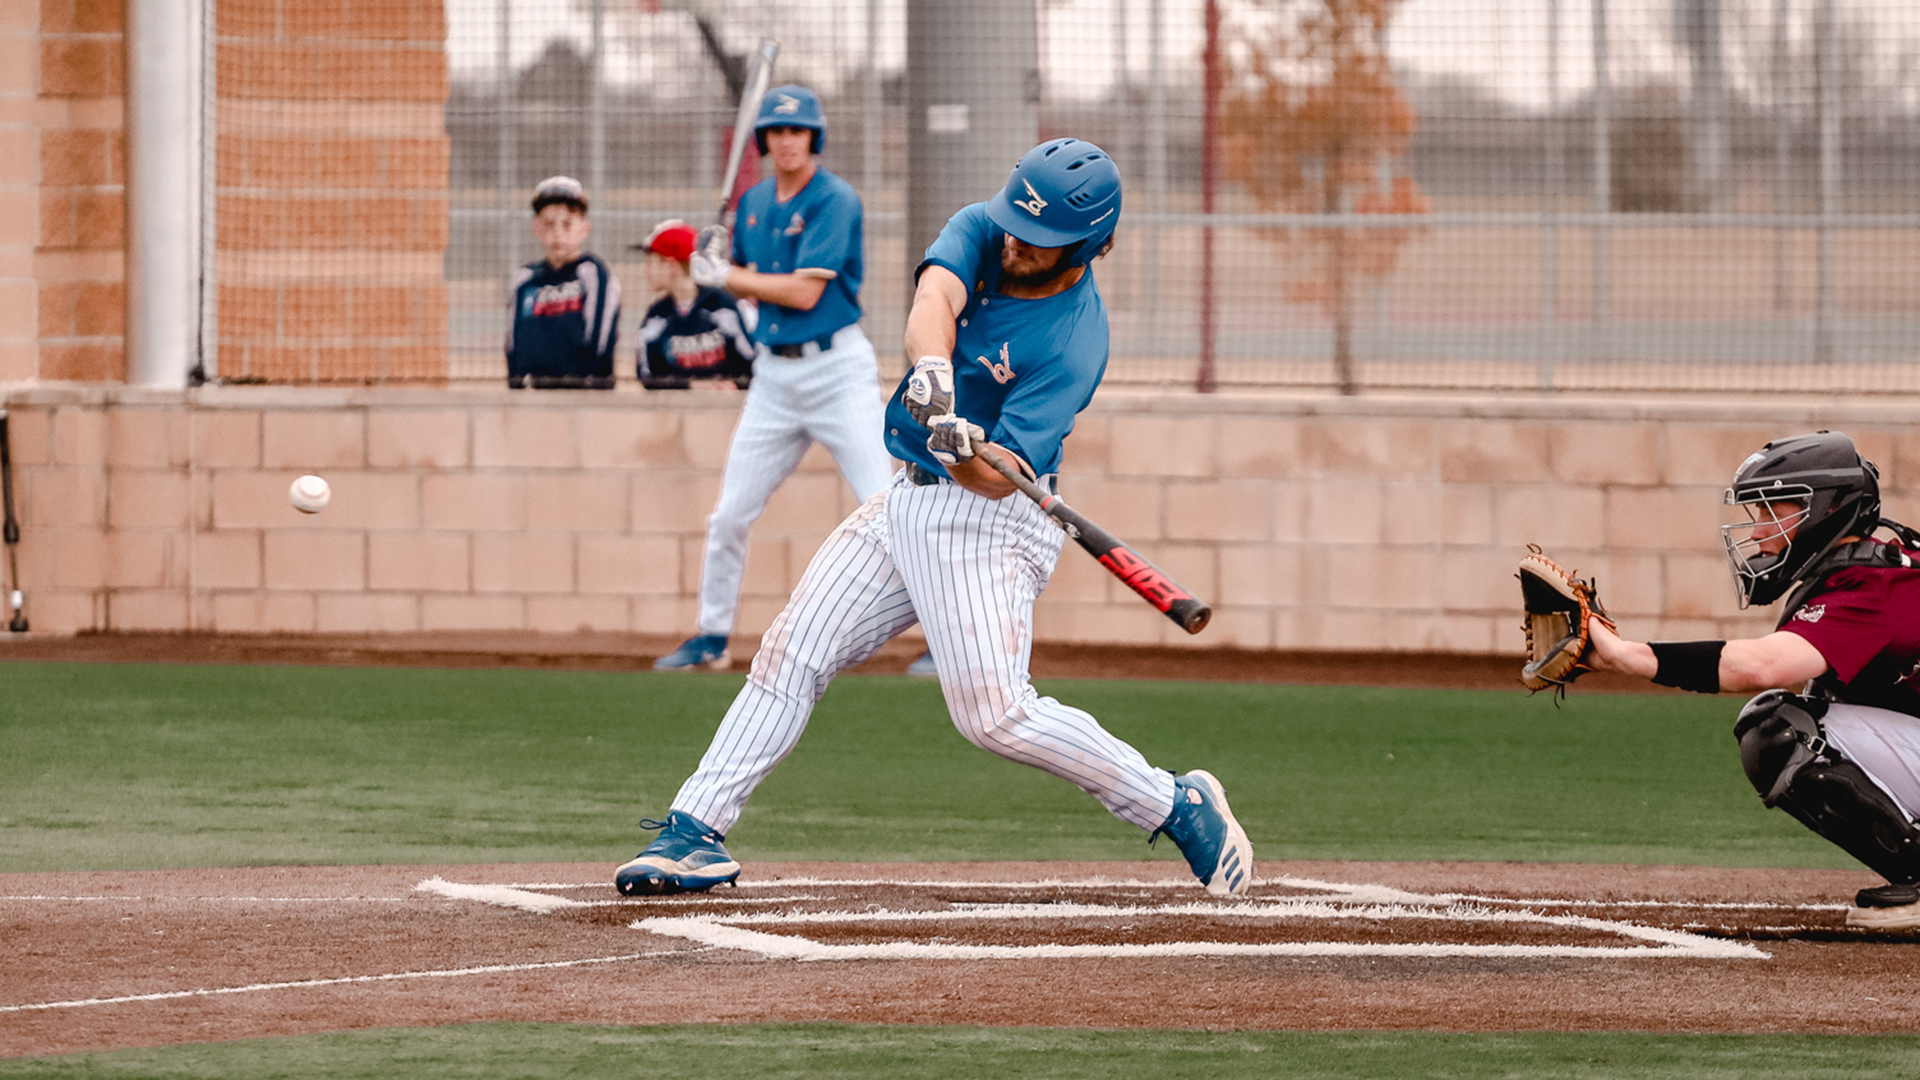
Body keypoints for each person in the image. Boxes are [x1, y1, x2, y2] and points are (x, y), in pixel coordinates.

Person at [616, 137, 1254, 900]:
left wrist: (958, 451)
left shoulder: (1076, 341)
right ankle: (696, 832)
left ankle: (1175, 805)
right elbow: (932, 306)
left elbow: (995, 481)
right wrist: (935, 381)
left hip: (988, 522)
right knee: (793, 651)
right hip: (905, 501)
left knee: (993, 715)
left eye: (1039, 239)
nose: (1017, 242)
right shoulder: (989, 226)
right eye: (1016, 224)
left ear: (1086, 246)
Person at [1586, 431, 1920, 929]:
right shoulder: (1875, 570)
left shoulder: (1871, 586)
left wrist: (1626, 655)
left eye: (1774, 511)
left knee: (1780, 728)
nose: (1760, 530)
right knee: (1822, 698)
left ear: (1827, 510)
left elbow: (1760, 667)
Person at [652, 85, 896, 672]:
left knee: (887, 509)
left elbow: (804, 291)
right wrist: (716, 256)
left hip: (837, 369)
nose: (788, 141)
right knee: (729, 514)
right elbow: (739, 270)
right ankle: (711, 638)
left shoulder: (835, 198)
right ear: (763, 140)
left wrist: (727, 276)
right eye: (778, 132)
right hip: (775, 377)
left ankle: (947, 644)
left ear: (815, 137)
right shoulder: (756, 201)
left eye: (799, 131)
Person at [506, 176, 621, 389]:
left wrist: (588, 381)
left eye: (567, 224)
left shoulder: (593, 273)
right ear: (536, 228)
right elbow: (513, 342)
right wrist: (516, 383)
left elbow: (601, 336)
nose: (557, 233)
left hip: (585, 394)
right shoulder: (525, 280)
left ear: (584, 229)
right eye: (549, 224)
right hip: (536, 395)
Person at [633, 219, 756, 390]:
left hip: (727, 409)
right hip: (674, 412)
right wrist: (691, 386)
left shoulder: (722, 307)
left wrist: (734, 385)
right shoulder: (657, 316)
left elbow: (751, 362)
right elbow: (647, 375)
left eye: (651, 262)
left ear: (671, 265)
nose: (646, 270)